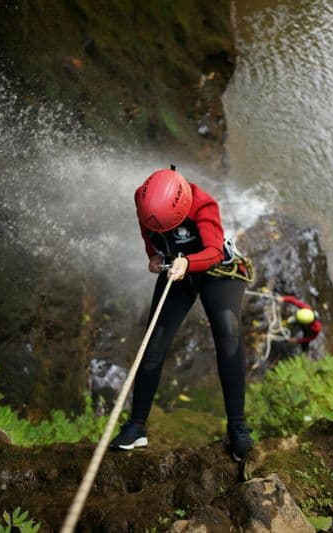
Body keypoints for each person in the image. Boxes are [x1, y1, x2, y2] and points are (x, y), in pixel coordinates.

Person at [109, 166, 254, 461]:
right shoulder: (143, 199)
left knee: (228, 334)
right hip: (176, 270)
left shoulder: (203, 203)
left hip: (216, 271)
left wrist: (188, 262)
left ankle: (238, 428)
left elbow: (213, 250)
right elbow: (149, 238)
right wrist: (154, 256)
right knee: (154, 341)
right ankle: (137, 426)